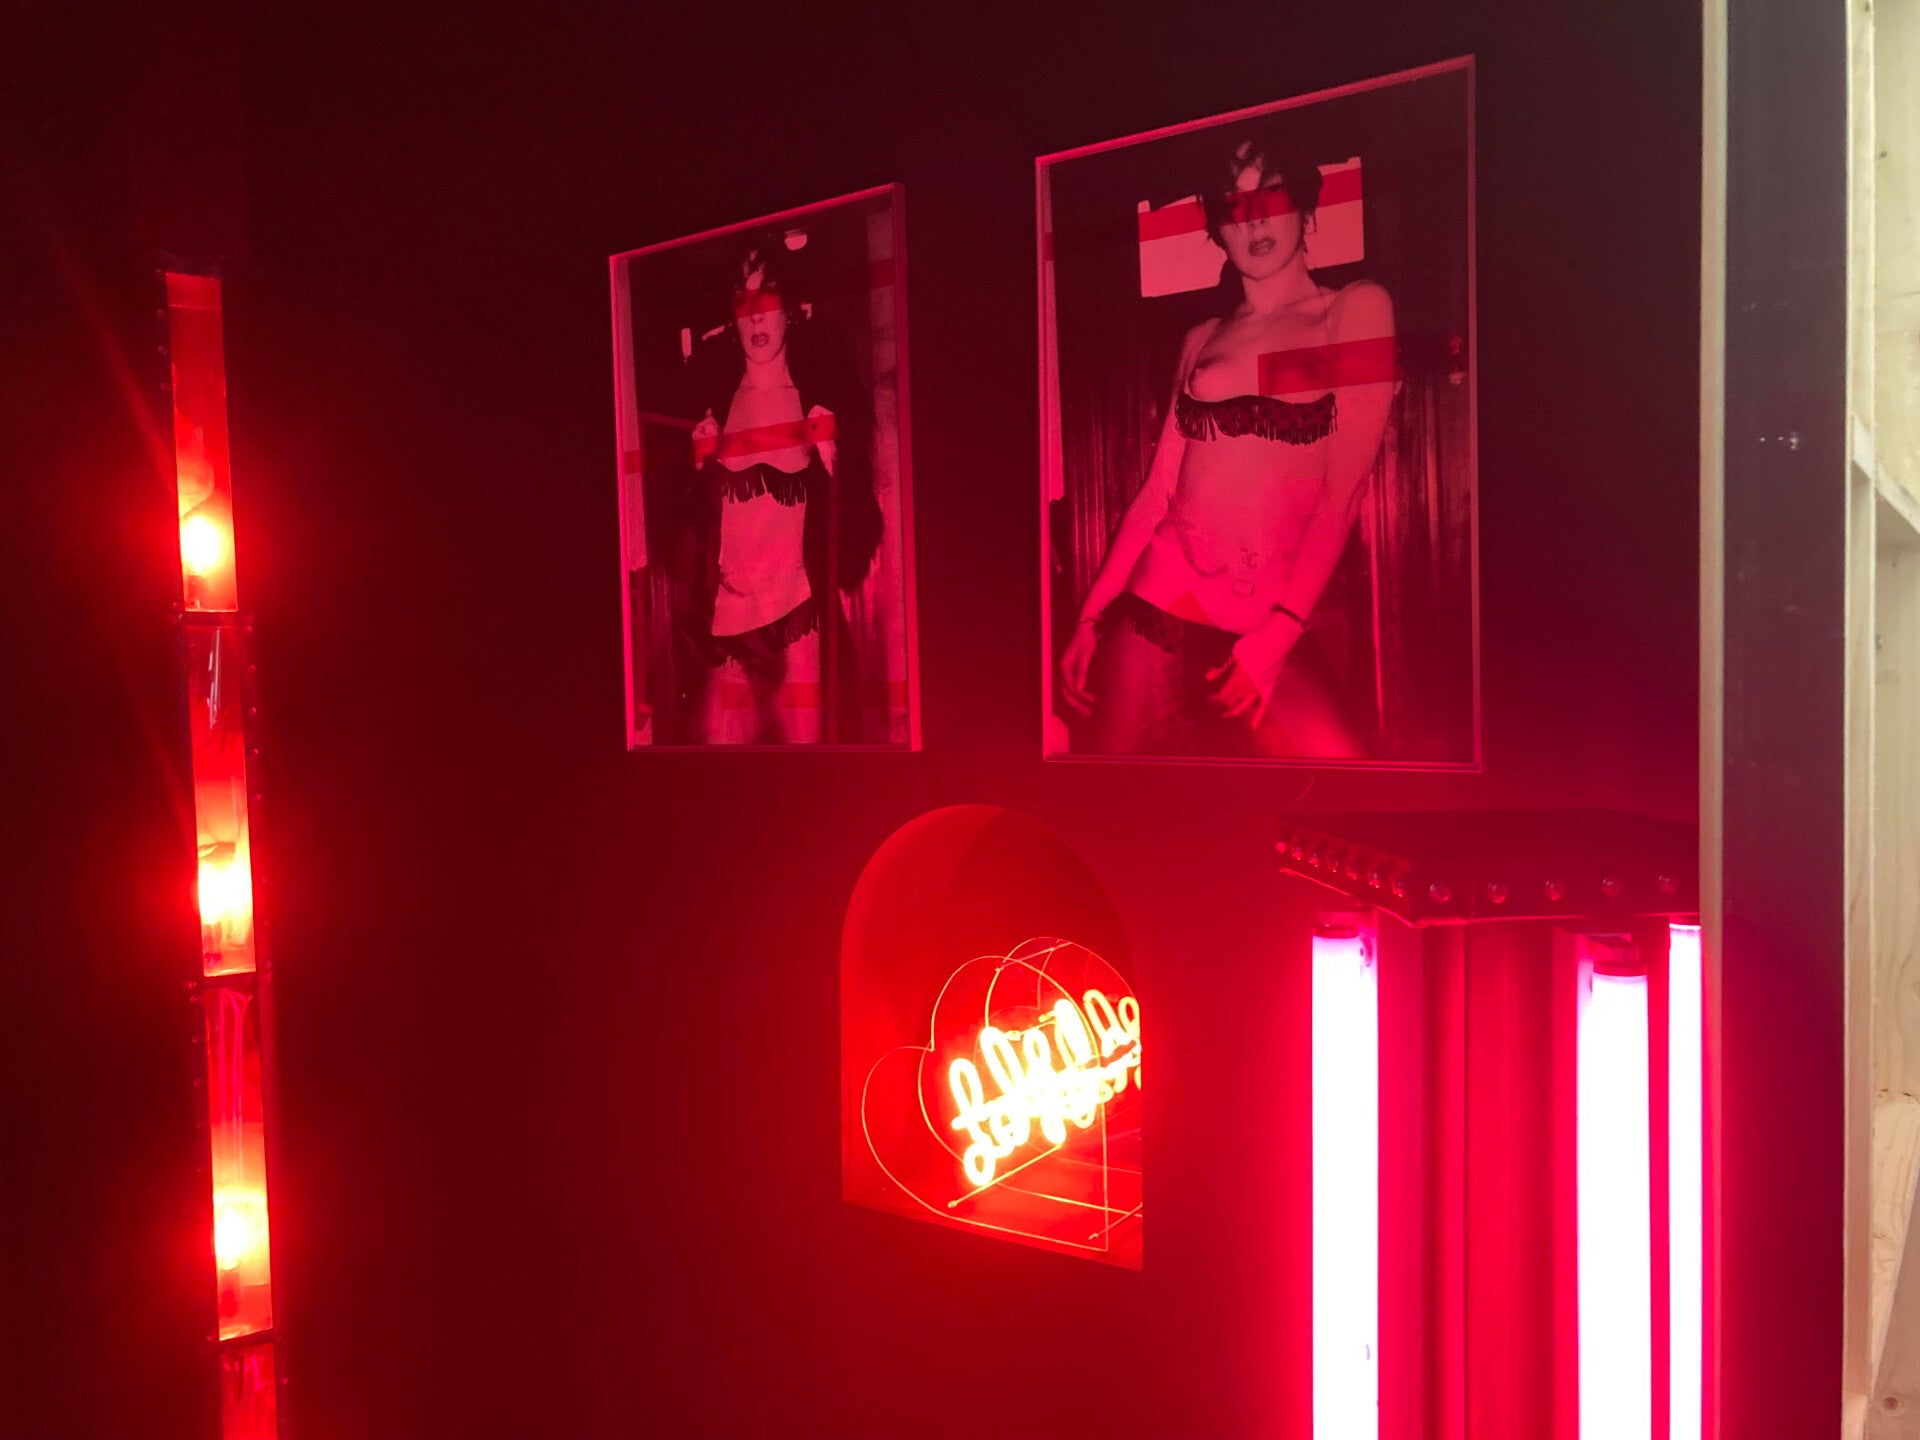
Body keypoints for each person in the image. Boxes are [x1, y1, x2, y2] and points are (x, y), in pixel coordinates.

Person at [1057, 127, 1397, 758]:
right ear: (1218, 229)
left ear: (1304, 208)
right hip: (1164, 596)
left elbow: (1342, 495)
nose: (1254, 219)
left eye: (1272, 195)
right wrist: (1087, 617)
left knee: (1338, 770)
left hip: (1269, 618)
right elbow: (1156, 494)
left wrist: (1280, 635)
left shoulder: (1355, 310)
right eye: (1234, 206)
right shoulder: (1201, 339)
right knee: (1119, 785)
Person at [686, 232, 880, 744]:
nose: (755, 316)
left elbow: (862, 535)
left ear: (789, 309)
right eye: (743, 299)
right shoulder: (710, 400)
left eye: (767, 296)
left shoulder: (822, 395)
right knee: (716, 770)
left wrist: (836, 461)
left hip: (799, 617)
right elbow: (682, 534)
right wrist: (697, 464)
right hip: (730, 616)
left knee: (807, 772)